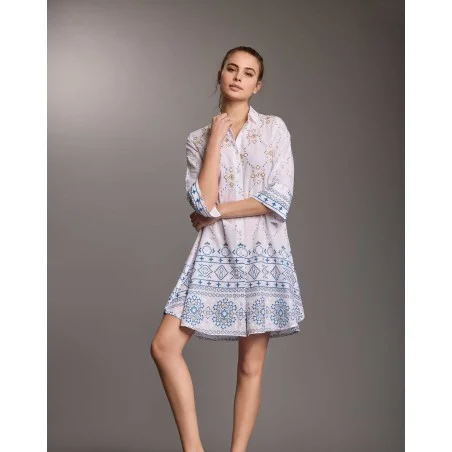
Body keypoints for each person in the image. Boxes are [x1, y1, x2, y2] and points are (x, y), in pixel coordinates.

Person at [150, 46, 305, 452]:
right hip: (214, 253)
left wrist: (217, 212)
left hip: (262, 254)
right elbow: (201, 201)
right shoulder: (198, 139)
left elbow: (278, 198)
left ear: (257, 86)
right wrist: (216, 138)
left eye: (248, 73)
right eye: (232, 69)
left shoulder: (274, 129)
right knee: (164, 346)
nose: (238, 77)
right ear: (220, 75)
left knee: (251, 364)